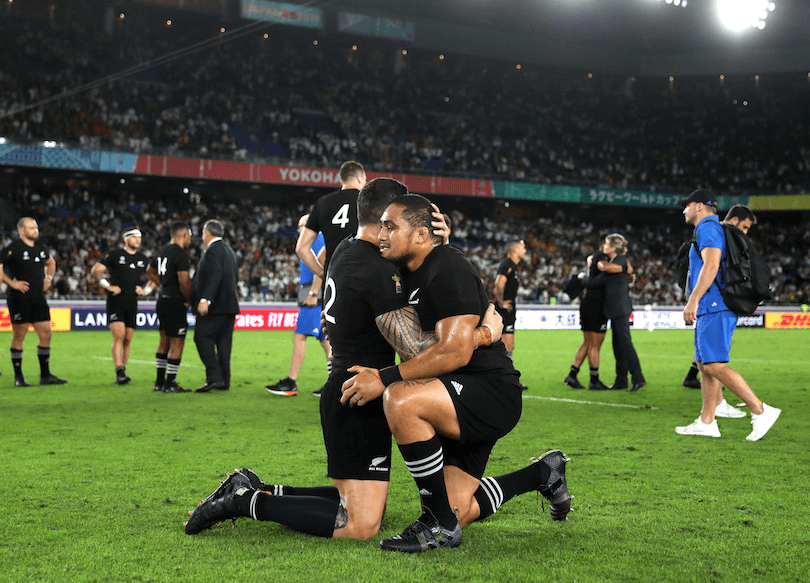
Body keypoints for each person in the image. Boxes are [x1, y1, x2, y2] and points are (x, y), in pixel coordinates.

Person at [184, 180, 567, 544]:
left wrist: (435, 243)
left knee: (441, 507)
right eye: (391, 221)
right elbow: (421, 347)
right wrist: (483, 330)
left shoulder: (352, 251)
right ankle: (247, 500)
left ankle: (541, 474)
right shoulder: (377, 267)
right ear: (384, 219)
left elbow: (441, 278)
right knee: (360, 521)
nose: (389, 232)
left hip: (382, 385)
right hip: (358, 388)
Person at [342, 193, 571, 553]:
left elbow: (453, 350)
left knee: (399, 398)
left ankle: (436, 525)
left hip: (488, 390)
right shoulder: (408, 270)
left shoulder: (447, 265)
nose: (381, 233)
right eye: (380, 225)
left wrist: (383, 377)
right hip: (450, 391)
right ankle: (544, 474)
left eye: (390, 226)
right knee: (459, 508)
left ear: (420, 235)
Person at [675, 190, 780, 440]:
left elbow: (711, 265)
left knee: (713, 364)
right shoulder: (710, 228)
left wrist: (693, 299)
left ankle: (760, 410)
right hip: (711, 306)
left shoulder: (708, 228)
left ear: (699, 206)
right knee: (704, 364)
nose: (684, 210)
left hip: (714, 305)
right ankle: (707, 421)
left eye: (687, 205)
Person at [296, 161, 366, 396]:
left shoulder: (323, 203)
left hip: (333, 284)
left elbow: (302, 248)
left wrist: (321, 272)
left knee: (337, 343)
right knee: (366, 343)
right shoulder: (368, 201)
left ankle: (337, 392)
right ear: (360, 178)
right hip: (364, 279)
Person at [266, 215, 332, 396]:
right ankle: (333, 382)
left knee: (299, 337)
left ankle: (291, 383)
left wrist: (312, 294)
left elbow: (322, 265)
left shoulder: (315, 239)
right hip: (317, 293)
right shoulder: (319, 239)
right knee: (325, 340)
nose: (298, 230)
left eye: (300, 226)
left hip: (313, 294)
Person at [1, 217, 67, 386]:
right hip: (19, 298)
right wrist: (12, 283)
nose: (35, 230)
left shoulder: (41, 248)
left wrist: (49, 279)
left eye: (36, 227)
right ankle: (19, 377)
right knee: (19, 335)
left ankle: (45, 376)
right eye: (31, 228)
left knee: (46, 333)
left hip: (38, 297)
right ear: (21, 230)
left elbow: (51, 262)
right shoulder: (12, 249)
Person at [578, 233, 646, 392]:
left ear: (614, 247)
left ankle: (638, 378)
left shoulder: (620, 261)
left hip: (619, 308)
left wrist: (582, 277)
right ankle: (621, 379)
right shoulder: (617, 261)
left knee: (625, 344)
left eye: (607, 244)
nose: (604, 247)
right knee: (618, 345)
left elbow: (597, 280)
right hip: (616, 309)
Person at [564, 242, 631, 391]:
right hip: (597, 305)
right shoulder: (602, 258)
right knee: (595, 344)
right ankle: (594, 380)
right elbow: (602, 266)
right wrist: (625, 269)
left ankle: (572, 375)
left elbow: (592, 262)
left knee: (587, 343)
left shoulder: (594, 258)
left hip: (587, 303)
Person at [90, 227, 152, 385]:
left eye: (140, 237)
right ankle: (119, 370)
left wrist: (146, 290)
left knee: (128, 339)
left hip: (132, 302)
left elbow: (156, 277)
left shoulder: (143, 258)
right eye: (135, 237)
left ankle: (123, 371)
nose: (138, 240)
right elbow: (96, 271)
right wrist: (107, 286)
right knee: (119, 335)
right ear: (126, 239)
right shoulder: (115, 255)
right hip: (116, 301)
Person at [192, 219, 240, 393]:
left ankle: (215, 377)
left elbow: (214, 275)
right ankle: (224, 381)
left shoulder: (213, 251)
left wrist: (206, 298)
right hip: (229, 306)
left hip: (215, 307)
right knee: (224, 344)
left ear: (207, 233)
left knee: (201, 338)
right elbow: (234, 277)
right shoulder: (229, 251)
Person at [147, 222, 193, 393]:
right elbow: (184, 281)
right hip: (175, 302)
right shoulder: (181, 255)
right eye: (188, 235)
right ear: (184, 235)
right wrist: (187, 300)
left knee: (164, 341)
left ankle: (159, 382)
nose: (189, 239)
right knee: (177, 343)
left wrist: (163, 285)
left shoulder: (162, 251)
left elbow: (149, 271)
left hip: (163, 300)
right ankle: (171, 383)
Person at [494, 239, 529, 391]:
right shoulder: (508, 265)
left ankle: (506, 379)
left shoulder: (513, 266)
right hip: (504, 311)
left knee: (507, 346)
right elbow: (499, 283)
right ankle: (508, 381)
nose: (525, 251)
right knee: (507, 346)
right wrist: (501, 302)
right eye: (523, 248)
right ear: (515, 250)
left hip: (508, 310)